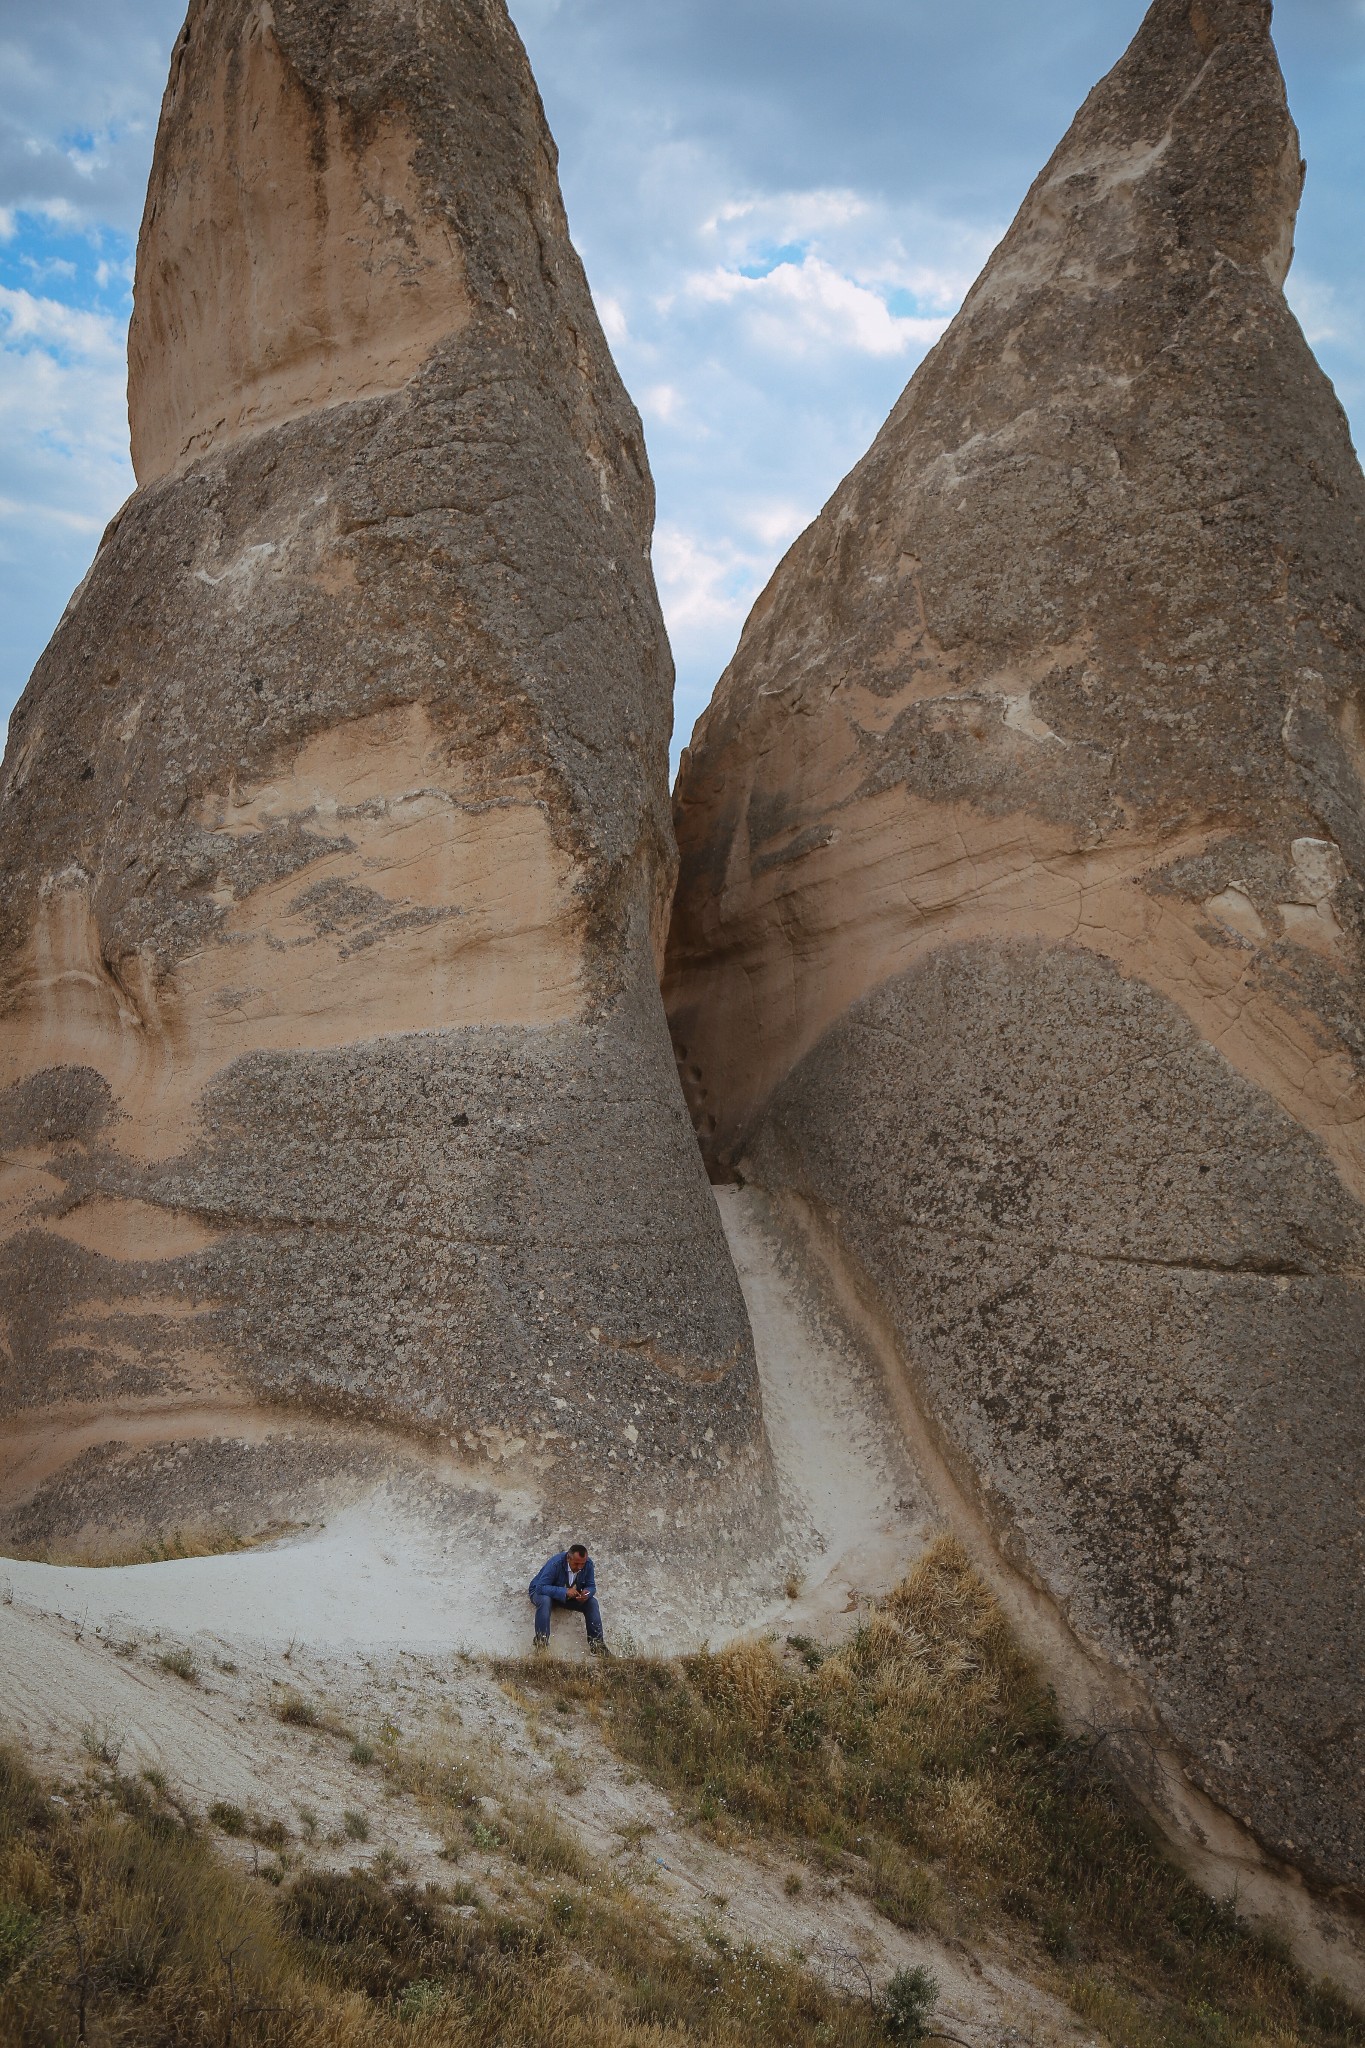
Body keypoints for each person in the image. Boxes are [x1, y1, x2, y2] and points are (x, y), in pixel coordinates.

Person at [528, 1543, 608, 1655]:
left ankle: (597, 1646)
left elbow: (591, 1586)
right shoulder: (555, 1563)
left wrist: (587, 1593)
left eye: (582, 1564)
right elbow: (541, 1587)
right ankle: (541, 1644)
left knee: (592, 1602)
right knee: (545, 1601)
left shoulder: (588, 1564)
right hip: (541, 1592)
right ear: (568, 1558)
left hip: (566, 1597)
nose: (580, 1567)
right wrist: (564, 1591)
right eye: (576, 1563)